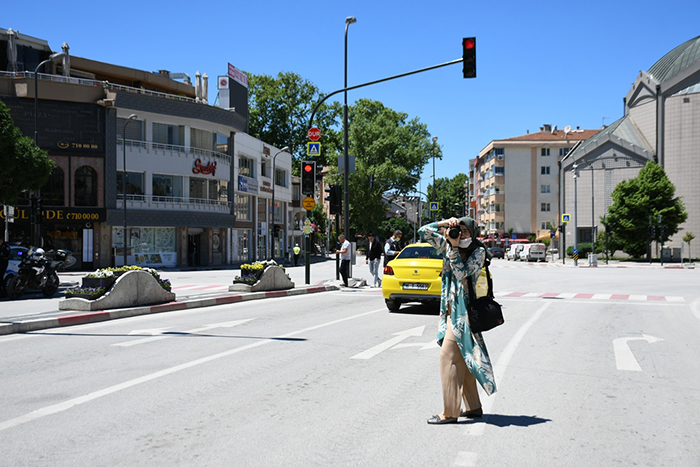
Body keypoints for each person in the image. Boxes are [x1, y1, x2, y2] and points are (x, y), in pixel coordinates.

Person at [418, 216, 496, 425]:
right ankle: (473, 407)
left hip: (465, 313)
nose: (460, 234)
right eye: (458, 230)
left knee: (448, 357)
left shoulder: (478, 252)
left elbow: (461, 273)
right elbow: (422, 232)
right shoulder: (447, 242)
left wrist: (452, 248)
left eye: (464, 231)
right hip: (451, 310)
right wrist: (445, 223)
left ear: (473, 233)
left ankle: (450, 412)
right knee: (463, 356)